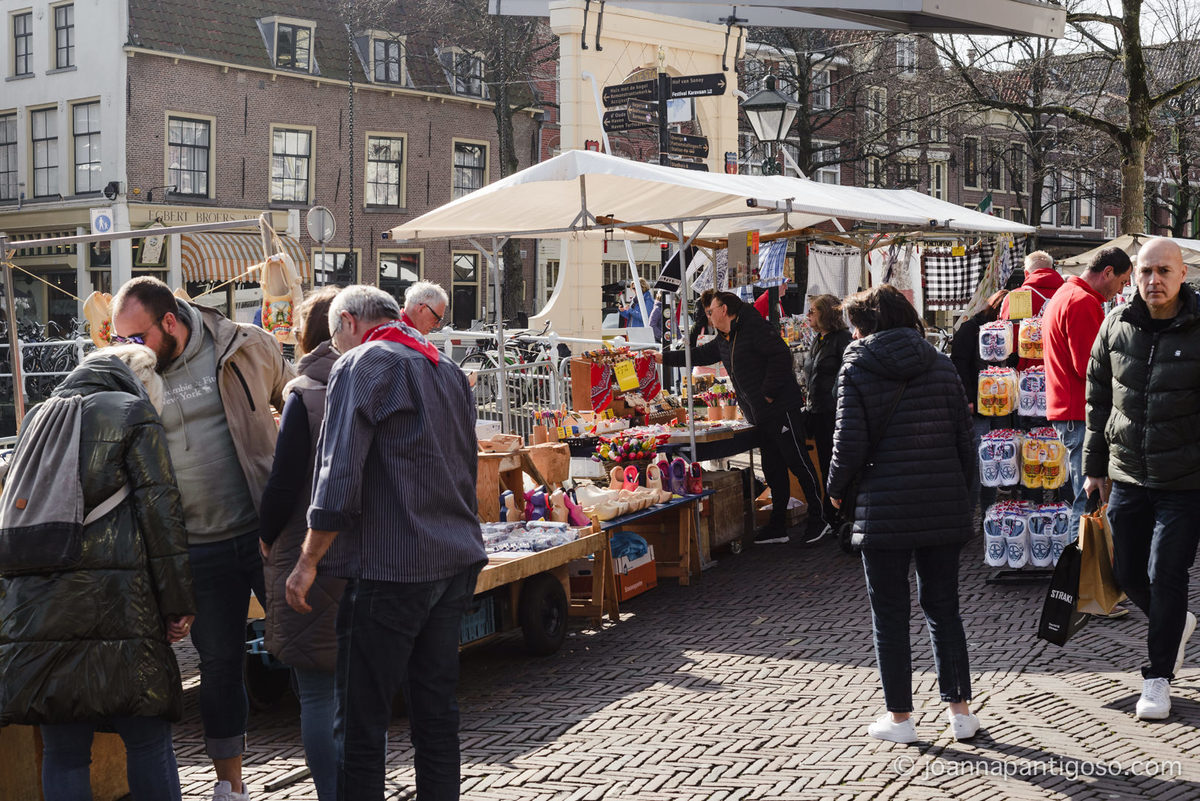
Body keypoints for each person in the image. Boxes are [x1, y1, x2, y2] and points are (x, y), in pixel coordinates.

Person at [285, 285, 487, 801]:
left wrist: (307, 561)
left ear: (349, 322)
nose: (336, 351)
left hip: (394, 569)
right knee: (436, 715)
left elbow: (338, 474)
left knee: (361, 725)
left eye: (335, 340)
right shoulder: (443, 367)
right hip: (452, 558)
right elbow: (468, 467)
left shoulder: (364, 364)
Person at [111, 277, 295, 801]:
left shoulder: (244, 344)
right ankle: (229, 787)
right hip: (200, 546)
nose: (128, 349)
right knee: (217, 665)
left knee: (304, 649)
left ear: (169, 322)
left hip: (265, 533)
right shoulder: (132, 374)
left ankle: (337, 765)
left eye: (136, 337)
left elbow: (302, 402)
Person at [0, 345, 195, 800]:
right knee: (148, 740)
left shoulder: (39, 418)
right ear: (144, 383)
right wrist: (178, 604)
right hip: (122, 605)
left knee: (64, 751)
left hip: (40, 606)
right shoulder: (133, 412)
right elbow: (161, 515)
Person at [826, 285, 978, 744]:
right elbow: (963, 440)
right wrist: (964, 499)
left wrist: (834, 491)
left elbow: (847, 443)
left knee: (889, 614)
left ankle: (901, 720)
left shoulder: (856, 367)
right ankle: (961, 713)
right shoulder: (941, 362)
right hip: (941, 501)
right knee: (943, 609)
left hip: (883, 508)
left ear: (865, 326)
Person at [1083, 237, 1200, 721]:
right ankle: (1176, 624)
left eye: (1164, 272)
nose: (1154, 281)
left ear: (1182, 276)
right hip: (1128, 474)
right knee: (1128, 573)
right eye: (1146, 272)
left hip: (1185, 481)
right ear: (1133, 275)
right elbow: (1098, 401)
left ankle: (1157, 678)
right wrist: (1093, 469)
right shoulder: (1115, 325)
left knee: (1165, 574)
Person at [259, 287, 343, 801]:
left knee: (315, 689)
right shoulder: (379, 379)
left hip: (309, 550)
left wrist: (266, 537)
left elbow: (284, 481)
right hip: (371, 553)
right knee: (361, 690)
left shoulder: (305, 390)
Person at [658, 289, 827, 544]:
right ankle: (778, 524)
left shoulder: (754, 327)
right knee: (773, 468)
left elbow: (781, 355)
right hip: (760, 415)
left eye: (710, 311)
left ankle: (820, 518)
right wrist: (663, 358)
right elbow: (700, 354)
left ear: (724, 309)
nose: (709, 316)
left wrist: (768, 394)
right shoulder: (725, 337)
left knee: (797, 461)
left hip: (780, 409)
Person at [1042, 246, 1132, 539]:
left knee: (1086, 497)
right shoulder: (1083, 302)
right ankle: (1079, 577)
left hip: (1069, 409)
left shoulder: (1065, 295)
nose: (1123, 288)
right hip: (1079, 412)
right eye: (1122, 281)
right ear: (1107, 273)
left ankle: (1080, 575)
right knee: (1088, 499)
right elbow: (1089, 367)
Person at [948, 289, 1008, 510]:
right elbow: (959, 363)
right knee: (977, 460)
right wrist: (969, 398)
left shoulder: (1008, 331)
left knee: (993, 460)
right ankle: (969, 511)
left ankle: (988, 510)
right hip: (978, 405)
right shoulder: (971, 328)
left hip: (1001, 406)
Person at [802, 294, 852, 534]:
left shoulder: (842, 339)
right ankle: (829, 511)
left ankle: (838, 513)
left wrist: (835, 399)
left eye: (813, 311)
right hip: (817, 411)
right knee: (822, 463)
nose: (808, 315)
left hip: (833, 413)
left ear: (827, 314)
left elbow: (844, 376)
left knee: (834, 463)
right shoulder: (818, 339)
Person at [999, 250, 1064, 370]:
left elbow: (1007, 342)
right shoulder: (1068, 295)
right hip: (1060, 370)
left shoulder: (1016, 296)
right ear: (1051, 269)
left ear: (1026, 273)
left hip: (1025, 374)